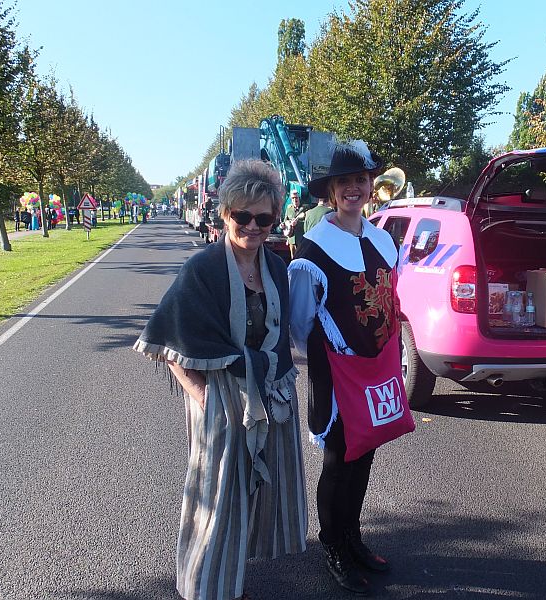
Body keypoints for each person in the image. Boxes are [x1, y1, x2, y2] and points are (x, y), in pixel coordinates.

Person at [133, 159, 307, 600]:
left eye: (264, 218)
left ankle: (233, 580)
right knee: (216, 499)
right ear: (226, 213)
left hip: (267, 393)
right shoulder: (203, 269)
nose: (253, 226)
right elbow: (166, 340)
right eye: (242, 215)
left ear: (275, 218)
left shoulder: (277, 268)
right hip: (221, 396)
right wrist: (206, 398)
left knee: (260, 495)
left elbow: (280, 336)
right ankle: (205, 587)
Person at [289, 141, 400, 595]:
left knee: (366, 451)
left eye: (361, 180)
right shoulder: (313, 249)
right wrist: (335, 350)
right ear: (332, 191)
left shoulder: (382, 239)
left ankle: (352, 536)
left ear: (371, 185)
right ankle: (332, 545)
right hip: (336, 373)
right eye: (345, 182)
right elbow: (300, 321)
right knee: (338, 460)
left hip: (376, 369)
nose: (354, 188)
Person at [283, 190, 305, 259]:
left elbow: (307, 222)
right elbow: (285, 220)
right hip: (292, 239)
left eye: (296, 198)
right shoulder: (289, 208)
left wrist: (298, 223)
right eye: (293, 198)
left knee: (301, 258)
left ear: (299, 198)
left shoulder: (304, 208)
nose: (295, 199)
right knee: (293, 258)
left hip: (301, 238)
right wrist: (283, 225)